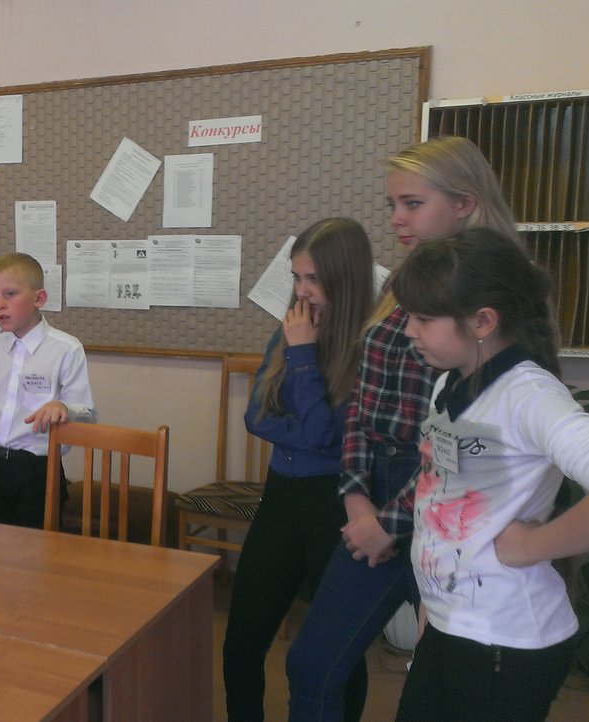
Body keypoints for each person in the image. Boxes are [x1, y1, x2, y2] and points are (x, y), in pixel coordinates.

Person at [286, 136, 524, 721]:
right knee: (312, 666)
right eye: (392, 204)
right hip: (376, 488)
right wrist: (356, 498)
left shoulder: (496, 292)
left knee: (439, 689)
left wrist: (391, 521)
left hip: (449, 501)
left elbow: (475, 440)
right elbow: (362, 404)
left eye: (412, 204)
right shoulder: (403, 282)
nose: (396, 219)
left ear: (464, 204)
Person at [387, 229, 589, 720]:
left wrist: (531, 546)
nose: (409, 331)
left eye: (423, 318)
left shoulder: (529, 396)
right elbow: (442, 500)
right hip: (449, 624)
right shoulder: (449, 382)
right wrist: (431, 612)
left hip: (504, 641)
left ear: (483, 321)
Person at [223, 218, 374, 722]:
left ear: (345, 279)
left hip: (335, 503)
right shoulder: (290, 327)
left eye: (314, 279)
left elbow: (325, 434)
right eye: (296, 278)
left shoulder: (368, 344)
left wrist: (305, 355)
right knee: (242, 640)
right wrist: (308, 429)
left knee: (334, 655)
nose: (302, 291)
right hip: (282, 496)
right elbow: (256, 417)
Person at [0, 252, 96, 528]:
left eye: (10, 294)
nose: (0, 305)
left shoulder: (66, 348)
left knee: (37, 549)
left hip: (37, 471)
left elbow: (88, 415)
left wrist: (64, 407)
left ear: (39, 299)